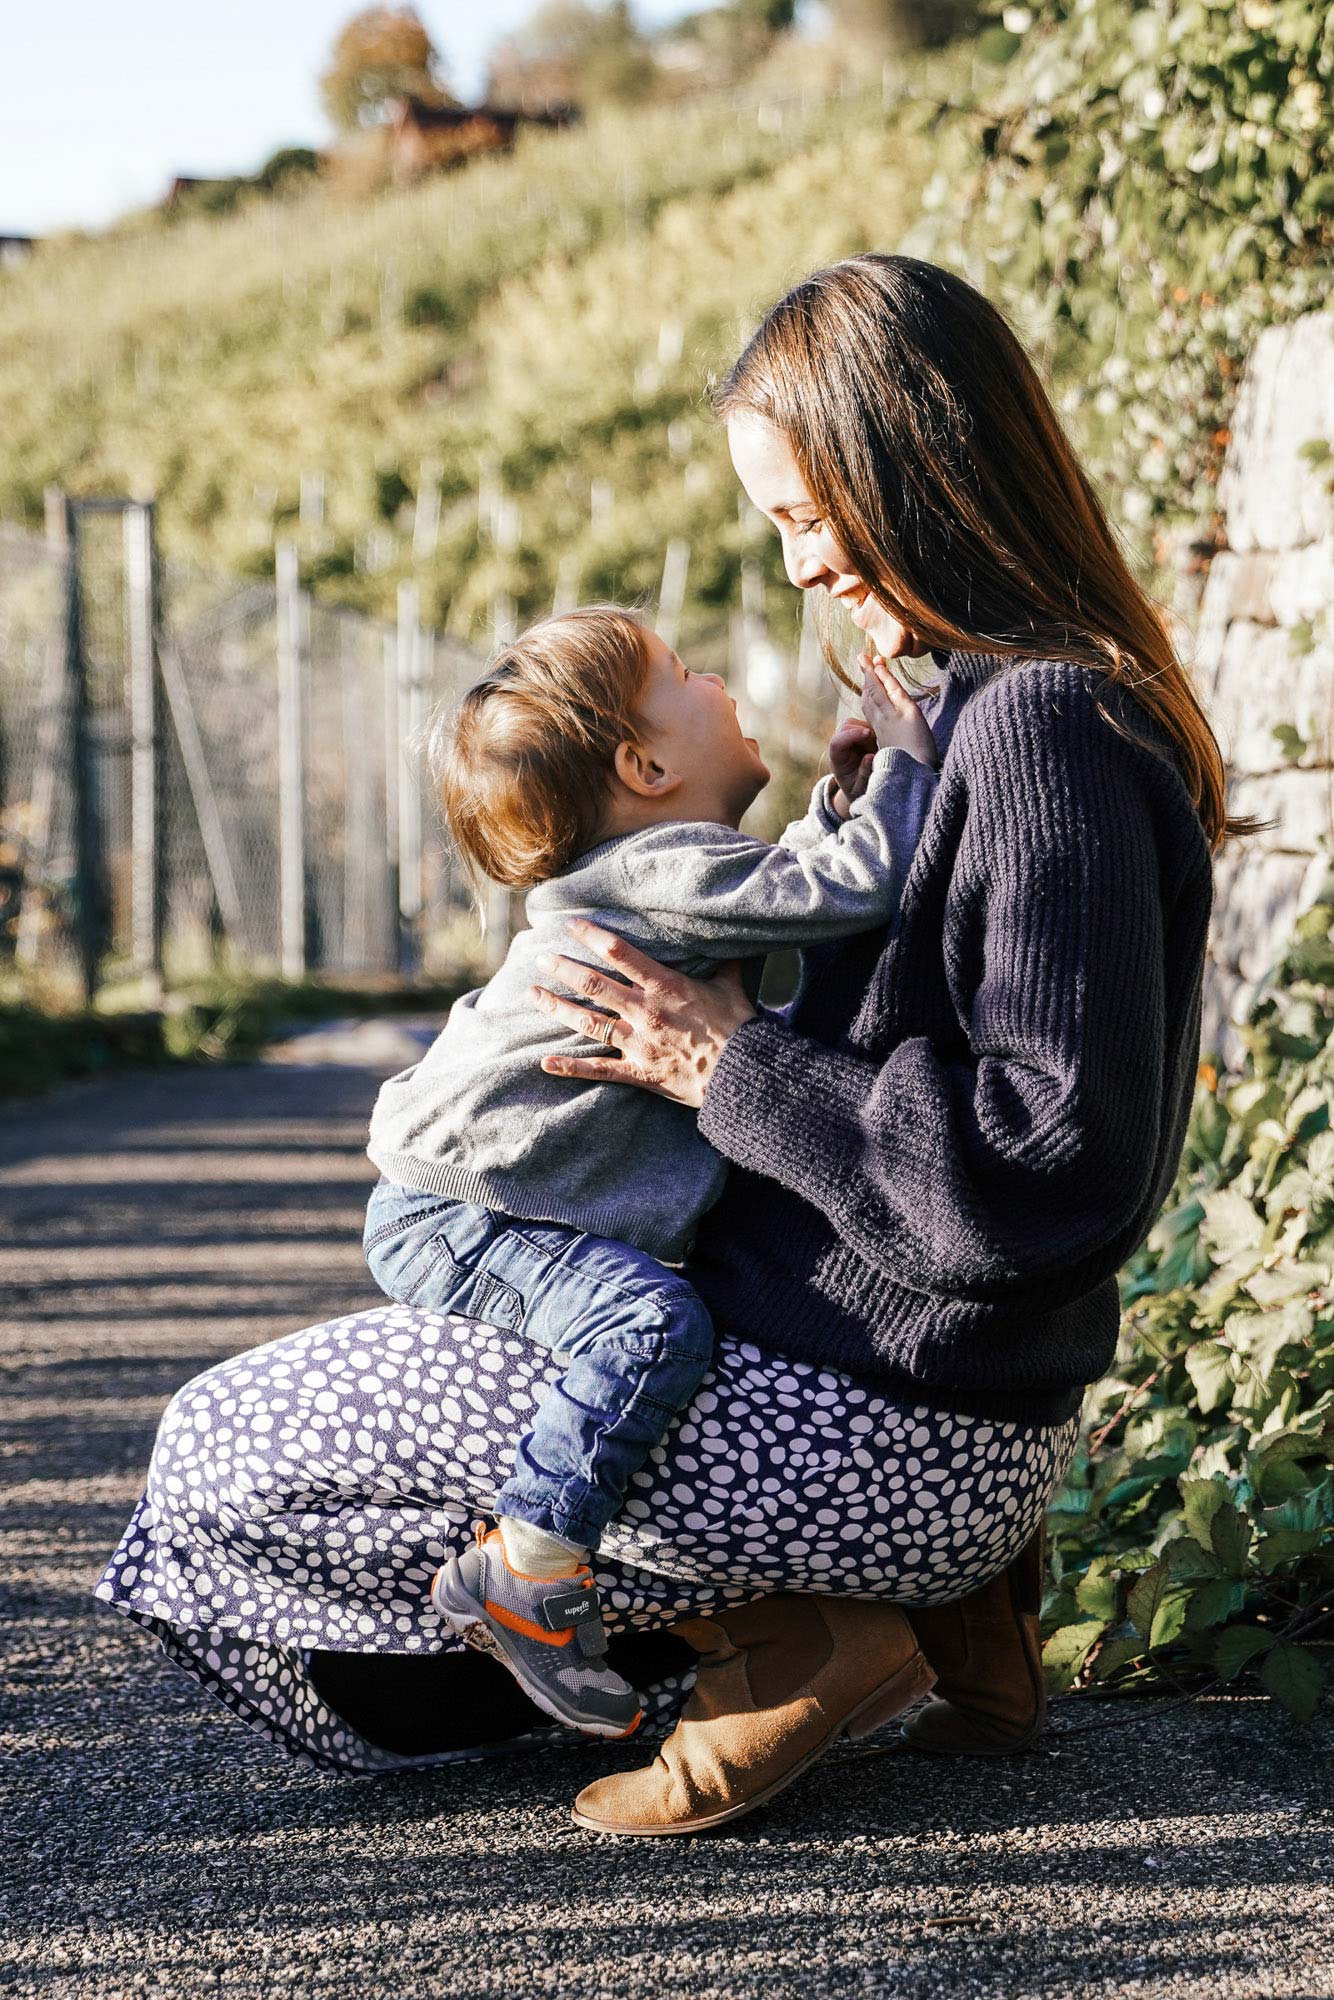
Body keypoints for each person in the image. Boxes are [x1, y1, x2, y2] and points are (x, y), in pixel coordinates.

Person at [97, 255, 1232, 1834]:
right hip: (895, 1415)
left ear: (905, 466)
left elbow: (1045, 1169)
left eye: (798, 513)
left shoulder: (1038, 729)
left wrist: (722, 1066)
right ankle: (886, 1616)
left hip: (879, 1435)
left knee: (225, 1447)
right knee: (404, 1505)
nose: (794, 564)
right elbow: (918, 1019)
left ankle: (807, 1628)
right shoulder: (981, 714)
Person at [362, 602, 940, 1740]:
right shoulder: (654, 866)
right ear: (645, 761)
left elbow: (800, 882)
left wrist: (843, 796)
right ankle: (528, 1565)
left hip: (467, 1198)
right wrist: (912, 763)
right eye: (687, 672)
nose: (718, 677)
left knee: (653, 1324)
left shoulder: (660, 870)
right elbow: (840, 893)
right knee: (649, 1328)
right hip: (459, 1210)